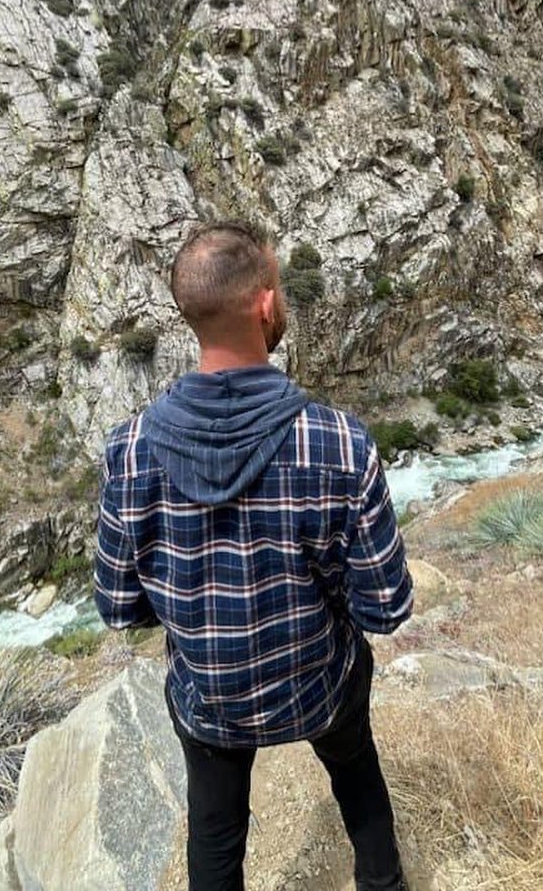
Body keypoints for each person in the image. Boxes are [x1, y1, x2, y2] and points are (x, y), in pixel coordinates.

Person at [94, 220, 415, 891]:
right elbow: (386, 608)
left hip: (210, 701)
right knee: (356, 774)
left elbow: (120, 607)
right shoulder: (339, 442)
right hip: (321, 686)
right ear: (267, 305)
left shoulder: (128, 452)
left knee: (214, 834)